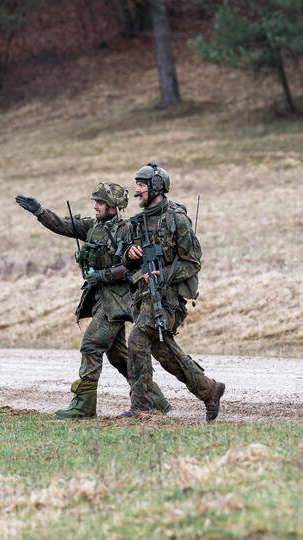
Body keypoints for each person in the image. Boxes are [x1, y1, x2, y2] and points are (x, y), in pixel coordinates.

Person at [14, 184, 171, 418]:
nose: (95, 206)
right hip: (100, 299)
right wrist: (40, 212)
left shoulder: (128, 230)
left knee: (91, 345)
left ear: (113, 206)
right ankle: (155, 400)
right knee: (119, 356)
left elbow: (133, 266)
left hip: (117, 302)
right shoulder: (93, 226)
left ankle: (83, 406)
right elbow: (64, 225)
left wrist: (103, 275)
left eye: (99, 202)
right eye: (95, 202)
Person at [119, 163, 225, 421]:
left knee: (137, 340)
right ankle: (209, 389)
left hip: (169, 299)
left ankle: (142, 407)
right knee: (164, 352)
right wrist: (130, 256)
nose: (137, 190)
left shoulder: (176, 219)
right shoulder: (137, 222)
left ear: (156, 186)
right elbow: (126, 262)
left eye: (141, 185)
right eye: (137, 185)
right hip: (143, 296)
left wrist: (163, 276)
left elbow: (192, 262)